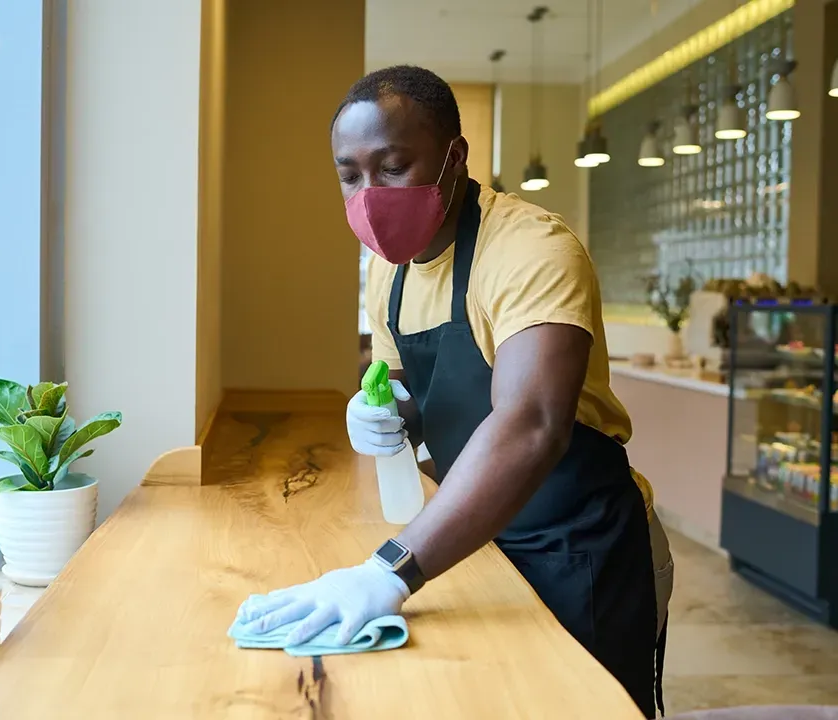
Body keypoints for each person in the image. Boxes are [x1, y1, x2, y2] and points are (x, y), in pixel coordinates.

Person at [233, 65, 672, 718]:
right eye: (350, 175)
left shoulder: (532, 249)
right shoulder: (389, 272)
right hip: (473, 535)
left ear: (453, 157)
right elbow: (414, 383)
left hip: (579, 548)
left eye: (393, 165)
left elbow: (531, 425)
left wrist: (391, 568)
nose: (369, 193)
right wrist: (387, 411)